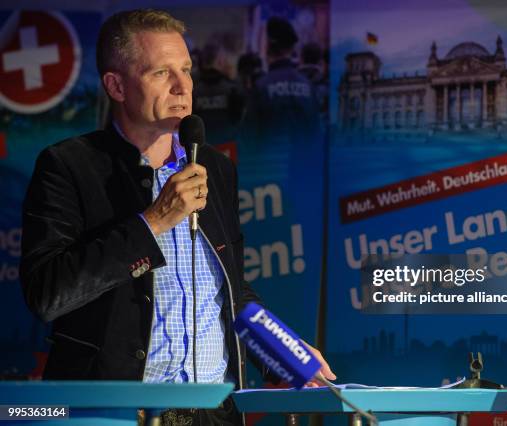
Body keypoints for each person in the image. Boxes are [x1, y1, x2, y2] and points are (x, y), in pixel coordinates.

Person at [19, 9, 334, 425]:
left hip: (214, 413)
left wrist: (283, 353)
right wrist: (154, 221)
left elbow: (229, 289)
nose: (183, 86)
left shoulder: (215, 169)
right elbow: (48, 293)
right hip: (121, 414)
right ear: (116, 85)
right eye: (160, 73)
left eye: (186, 69)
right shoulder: (68, 166)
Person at [241, 17, 320, 148]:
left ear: (267, 47)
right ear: (291, 48)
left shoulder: (261, 87)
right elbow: (316, 133)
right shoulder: (307, 86)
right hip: (302, 164)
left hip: (269, 164)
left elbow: (248, 137)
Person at [192, 42, 244, 145]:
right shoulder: (233, 89)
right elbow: (239, 122)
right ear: (220, 60)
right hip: (227, 148)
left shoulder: (192, 90)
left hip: (200, 150)